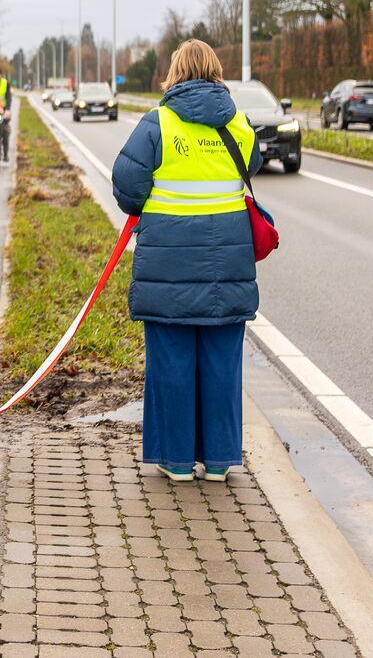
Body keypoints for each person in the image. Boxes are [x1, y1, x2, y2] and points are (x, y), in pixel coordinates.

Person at [111, 39, 261, 484]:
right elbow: (251, 165)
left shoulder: (159, 122)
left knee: (172, 361)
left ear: (175, 72)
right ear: (216, 71)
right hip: (227, 264)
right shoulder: (239, 123)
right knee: (221, 362)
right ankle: (218, 461)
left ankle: (176, 461)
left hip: (168, 268)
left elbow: (126, 185)